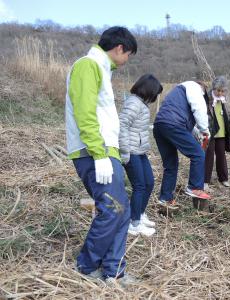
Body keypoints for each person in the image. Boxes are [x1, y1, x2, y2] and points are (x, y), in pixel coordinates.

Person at [65, 27, 137, 286]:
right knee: (113, 209)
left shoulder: (102, 69)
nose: (127, 60)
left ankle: (114, 270)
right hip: (95, 152)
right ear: (119, 48)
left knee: (121, 210)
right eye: (128, 54)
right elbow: (85, 113)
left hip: (105, 152)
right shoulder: (88, 65)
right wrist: (99, 153)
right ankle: (86, 265)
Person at [153, 80, 211, 208]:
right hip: (173, 125)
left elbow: (181, 118)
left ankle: (165, 198)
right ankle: (195, 187)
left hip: (160, 126)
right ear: (203, 89)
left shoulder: (178, 92)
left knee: (171, 164)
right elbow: (199, 109)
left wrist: (198, 133)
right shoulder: (195, 88)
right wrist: (205, 130)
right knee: (198, 154)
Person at [119, 74, 163, 236]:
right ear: (149, 90)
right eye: (155, 94)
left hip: (140, 150)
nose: (155, 97)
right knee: (139, 186)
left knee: (149, 182)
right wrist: (124, 152)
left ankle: (140, 214)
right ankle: (133, 223)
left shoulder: (141, 104)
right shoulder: (133, 103)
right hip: (131, 151)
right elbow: (122, 125)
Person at [204, 76, 230, 191]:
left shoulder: (223, 100)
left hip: (221, 133)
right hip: (210, 132)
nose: (220, 93)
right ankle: (205, 181)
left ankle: (223, 178)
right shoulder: (207, 99)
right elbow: (202, 115)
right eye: (218, 90)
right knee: (209, 156)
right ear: (214, 88)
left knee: (221, 155)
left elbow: (228, 115)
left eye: (222, 91)